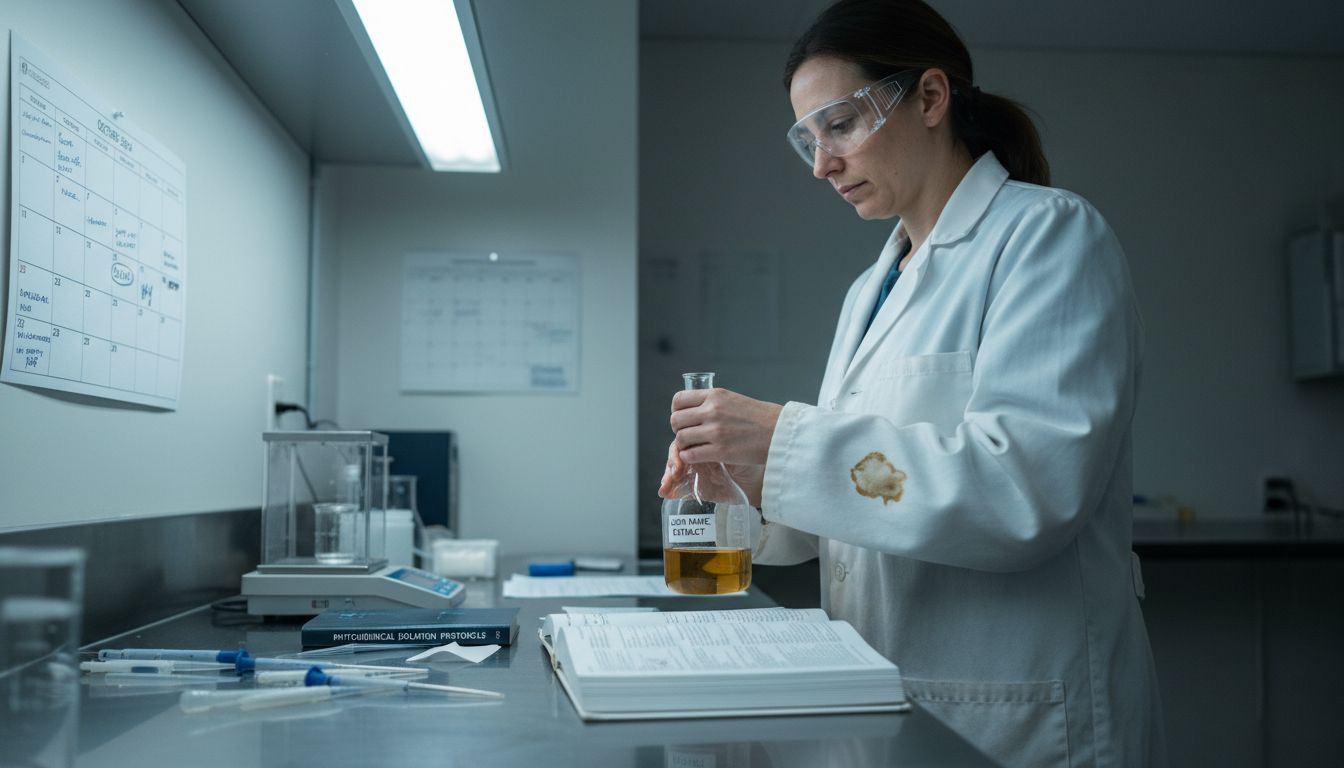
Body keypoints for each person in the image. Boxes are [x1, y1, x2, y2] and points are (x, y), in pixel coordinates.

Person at [657, 0, 1166, 765]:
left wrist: (784, 440)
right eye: (807, 139)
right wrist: (742, 479)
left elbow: (1025, 490)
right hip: (892, 702)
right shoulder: (870, 290)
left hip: (1020, 716)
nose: (823, 163)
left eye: (839, 124)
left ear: (930, 97)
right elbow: (853, 505)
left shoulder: (1049, 235)